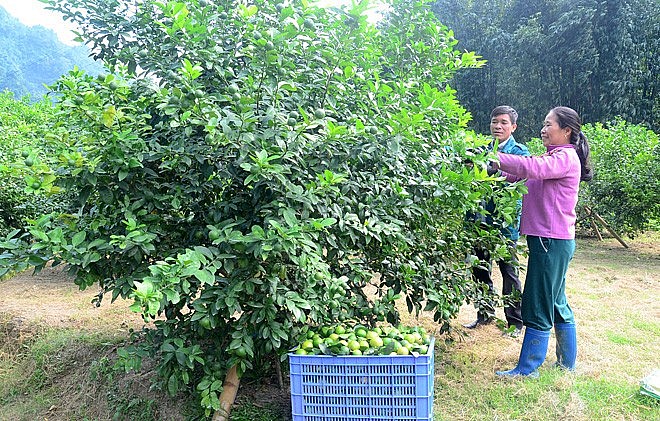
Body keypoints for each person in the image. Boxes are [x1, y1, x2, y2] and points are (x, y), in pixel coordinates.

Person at [491, 106, 592, 377]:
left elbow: (531, 167)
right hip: (550, 240)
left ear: (567, 131)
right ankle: (566, 364)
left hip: (550, 241)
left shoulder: (564, 158)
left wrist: (496, 158)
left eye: (549, 125)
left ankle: (528, 367)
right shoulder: (554, 157)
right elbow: (523, 174)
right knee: (555, 300)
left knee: (537, 301)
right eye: (544, 125)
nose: (543, 130)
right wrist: (494, 171)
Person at [464, 105, 529, 337]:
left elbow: (517, 179)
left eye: (503, 122)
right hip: (478, 221)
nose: (498, 126)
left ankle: (515, 322)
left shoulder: (520, 152)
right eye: (494, 121)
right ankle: (485, 314)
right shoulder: (480, 149)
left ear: (513, 126)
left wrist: (492, 170)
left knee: (508, 271)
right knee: (480, 269)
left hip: (503, 223)